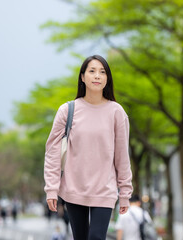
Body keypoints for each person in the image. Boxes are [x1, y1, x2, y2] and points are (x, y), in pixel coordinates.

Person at [44, 55, 133, 240]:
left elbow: (122, 156)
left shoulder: (117, 113)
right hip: (74, 188)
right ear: (82, 77)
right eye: (92, 71)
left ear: (107, 78)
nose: (97, 76)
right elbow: (52, 152)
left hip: (105, 188)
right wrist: (52, 188)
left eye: (102, 72)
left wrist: (125, 192)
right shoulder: (67, 111)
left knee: (97, 237)